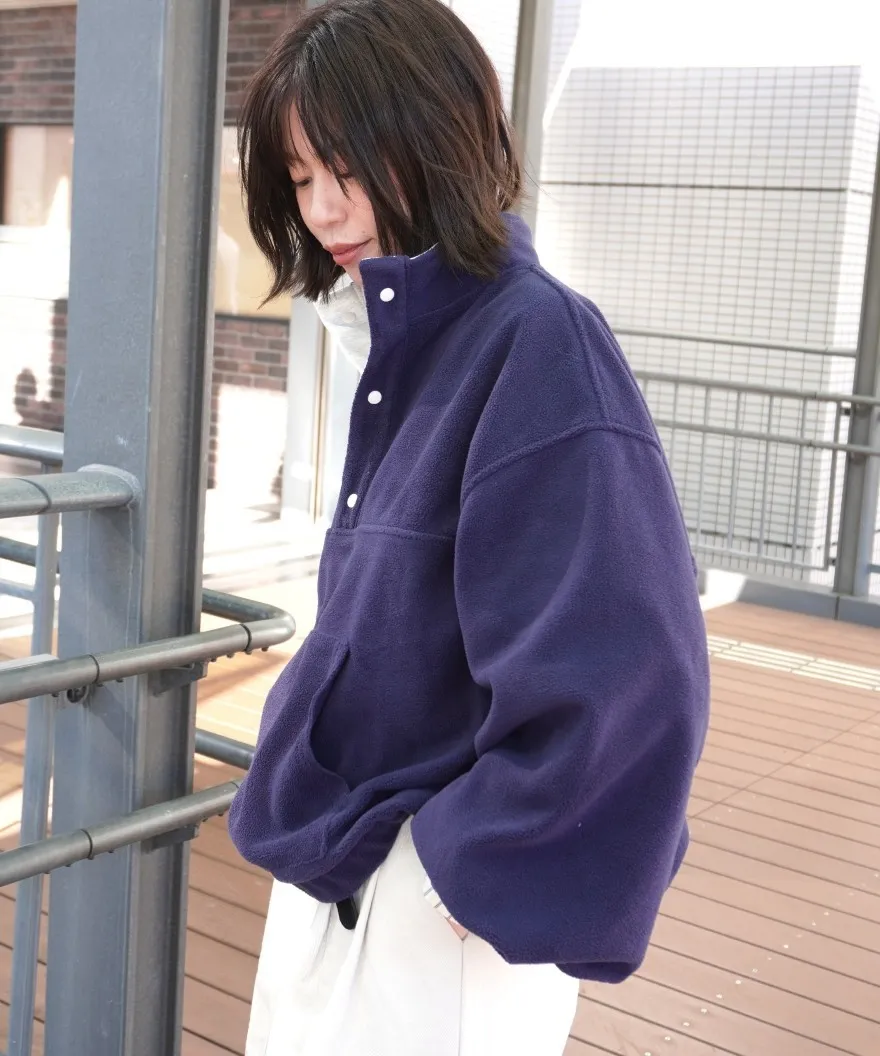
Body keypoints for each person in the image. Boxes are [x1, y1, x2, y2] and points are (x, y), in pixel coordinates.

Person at [227, 1, 710, 1053]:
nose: (322, 209)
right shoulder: (403, 341)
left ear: (438, 135)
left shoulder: (538, 342)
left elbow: (635, 674)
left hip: (431, 920)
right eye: (299, 178)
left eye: (345, 167)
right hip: (338, 869)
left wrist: (458, 871)